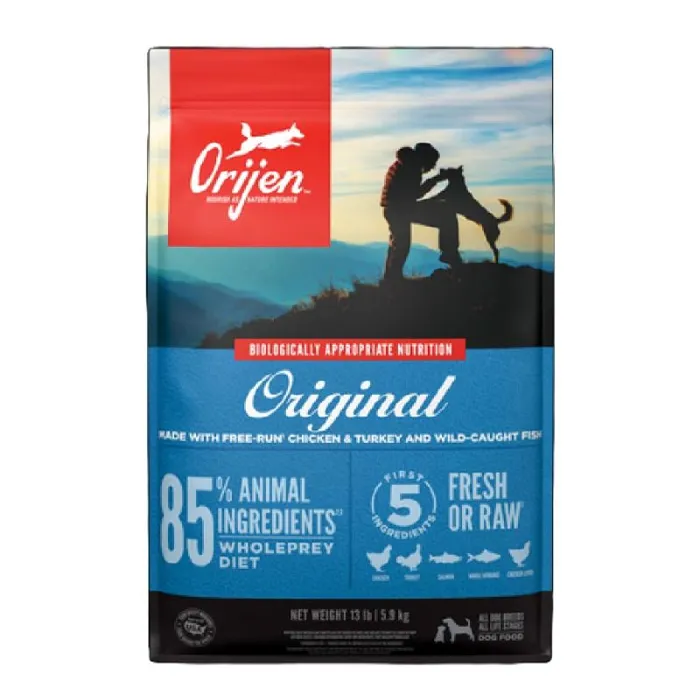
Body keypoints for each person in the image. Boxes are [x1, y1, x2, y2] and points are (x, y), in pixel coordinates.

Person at [380, 142, 462, 281]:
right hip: (400, 209)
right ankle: (449, 253)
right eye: (432, 163)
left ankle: (391, 278)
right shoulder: (411, 167)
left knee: (399, 243)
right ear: (425, 158)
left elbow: (411, 194)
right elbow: (416, 193)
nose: (432, 167)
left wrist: (435, 180)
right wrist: (436, 180)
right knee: (446, 214)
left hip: (395, 208)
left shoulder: (405, 163)